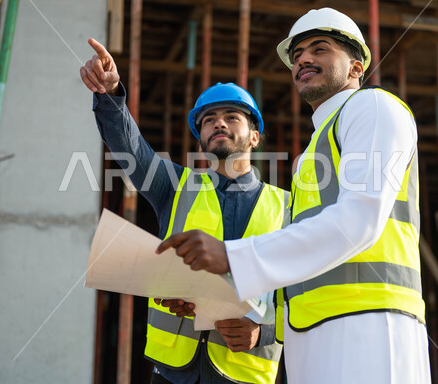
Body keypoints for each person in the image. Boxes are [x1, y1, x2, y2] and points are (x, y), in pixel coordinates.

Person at [157, 8, 431, 383]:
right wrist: (212, 298)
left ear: (355, 68)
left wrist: (231, 257)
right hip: (311, 333)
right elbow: (301, 253)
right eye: (297, 54)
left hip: (370, 324)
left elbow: (358, 221)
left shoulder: (373, 107)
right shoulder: (313, 152)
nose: (303, 58)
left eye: (320, 49)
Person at [80, 38, 289, 384]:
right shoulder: (175, 186)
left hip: (245, 371)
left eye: (231, 117)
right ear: (201, 138)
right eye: (209, 120)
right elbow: (129, 147)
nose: (219, 124)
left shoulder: (287, 206)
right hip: (173, 372)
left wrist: (263, 333)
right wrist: (110, 94)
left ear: (254, 136)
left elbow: (303, 292)